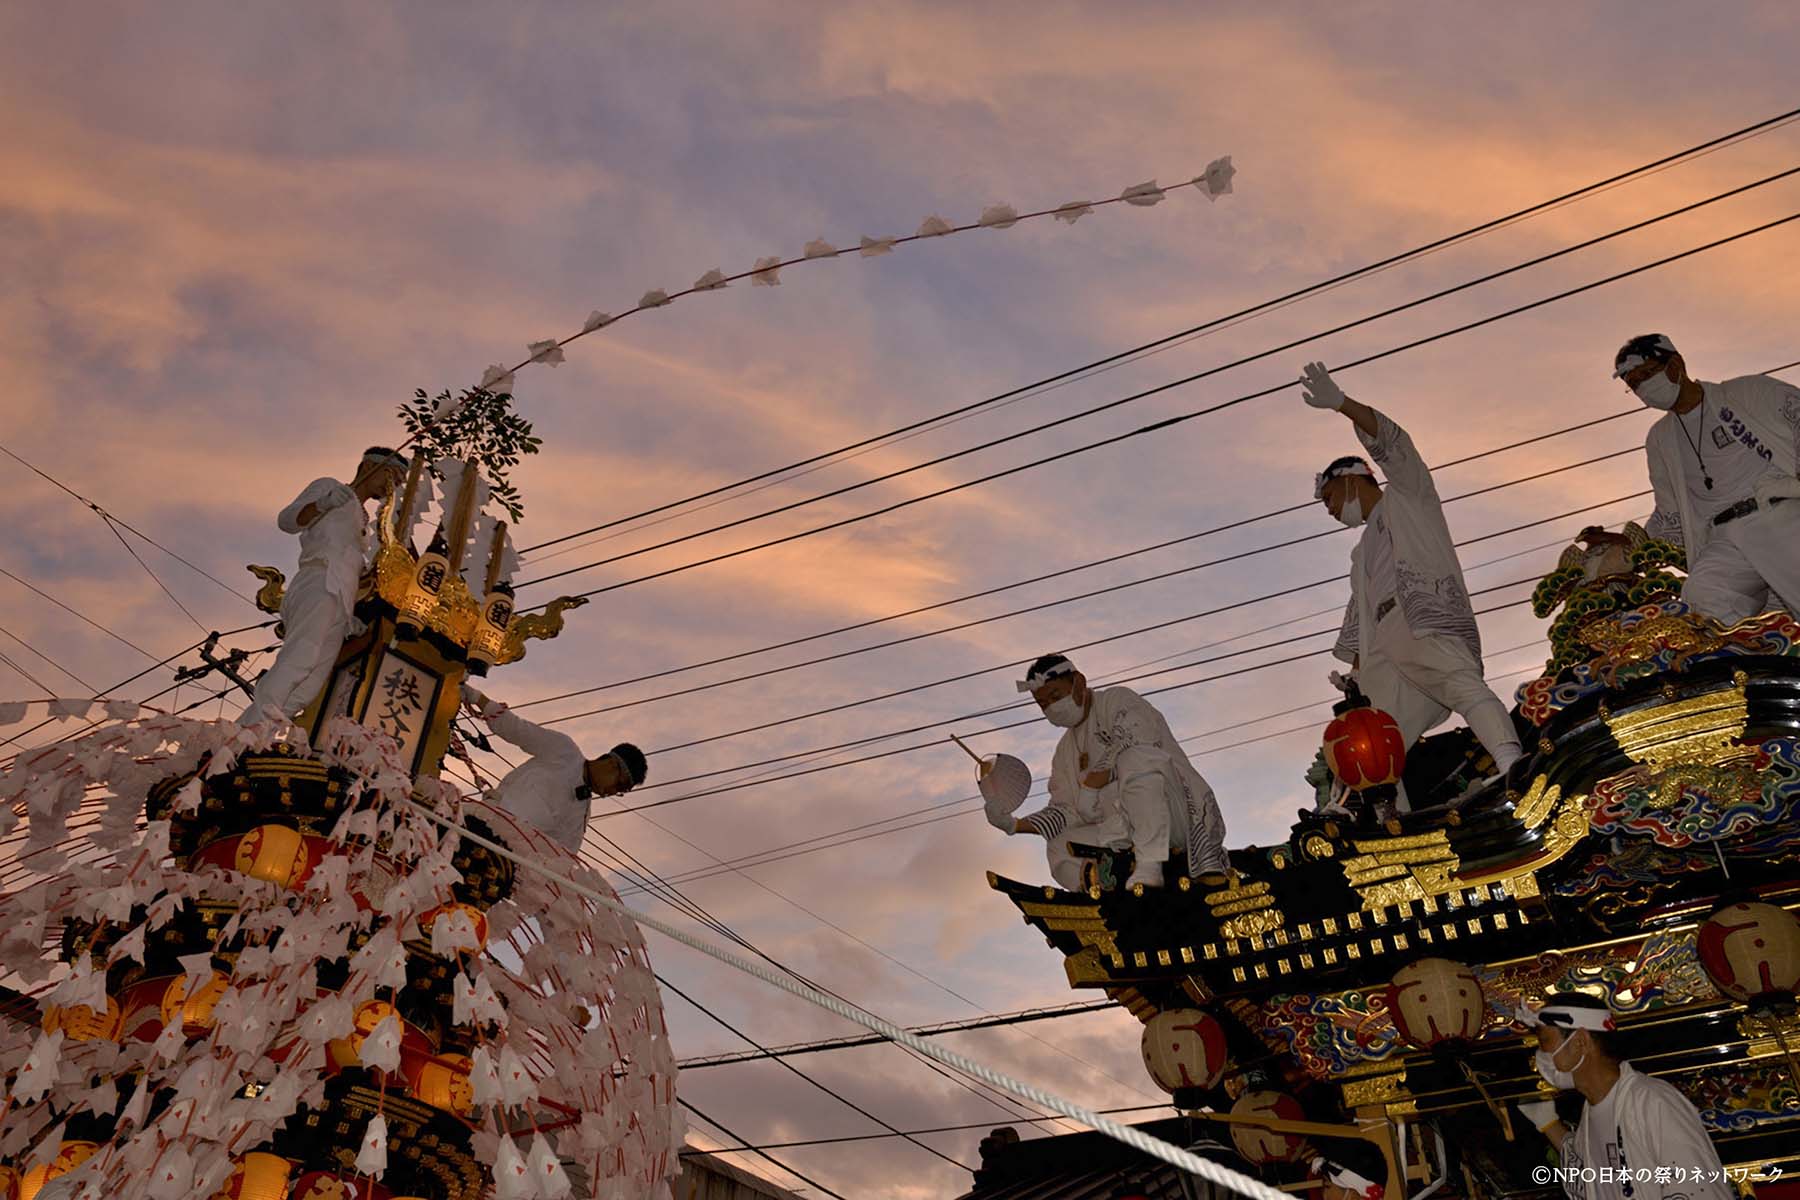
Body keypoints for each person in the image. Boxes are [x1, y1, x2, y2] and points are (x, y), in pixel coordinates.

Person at [1301, 362, 1523, 805]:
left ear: (1351, 480)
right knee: (1376, 736)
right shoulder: (1360, 552)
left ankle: (1513, 762)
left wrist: (1343, 406)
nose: (1330, 512)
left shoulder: (1408, 497)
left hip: (1420, 615)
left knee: (1460, 683)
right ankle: (1392, 823)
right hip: (1385, 641)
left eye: (1329, 499)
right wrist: (1356, 674)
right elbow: (1357, 613)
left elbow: (1396, 445)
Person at [987, 653, 1227, 891]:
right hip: (1121, 832)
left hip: (1176, 815)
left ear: (1079, 683)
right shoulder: (1064, 752)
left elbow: (1139, 738)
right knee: (1059, 845)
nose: (1051, 707)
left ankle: (1150, 865)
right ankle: (1106, 888)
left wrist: (1093, 783)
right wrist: (1014, 825)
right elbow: (1065, 811)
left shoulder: (1117, 700)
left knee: (1135, 759)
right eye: (1043, 704)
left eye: (1055, 696)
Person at [1616, 333, 1800, 626]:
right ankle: (1750, 671)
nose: (1643, 388)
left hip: (1777, 515)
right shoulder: (1660, 439)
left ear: (1676, 364)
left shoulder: (1746, 392)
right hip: (1722, 537)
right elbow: (1668, 513)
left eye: (1647, 374)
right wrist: (1628, 546)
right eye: (1634, 384)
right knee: (1702, 602)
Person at [243, 447, 408, 726]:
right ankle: (247, 734)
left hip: (341, 600)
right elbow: (287, 521)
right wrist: (323, 504)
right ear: (369, 465)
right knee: (299, 659)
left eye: (399, 481)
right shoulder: (330, 487)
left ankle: (260, 733)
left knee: (311, 684)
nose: (392, 486)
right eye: (391, 475)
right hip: (319, 579)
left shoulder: (365, 521)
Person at [1515, 993, 1731, 1200]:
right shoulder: (1591, 1114)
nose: (1540, 1057)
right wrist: (1549, 1124)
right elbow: (1589, 1174)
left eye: (1544, 1042)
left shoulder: (1651, 1101)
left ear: (1580, 1040)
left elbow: (1698, 1189)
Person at [460, 684, 647, 852]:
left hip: (503, 855)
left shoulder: (581, 815)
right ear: (612, 765)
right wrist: (476, 697)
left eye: (620, 792)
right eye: (619, 785)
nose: (611, 793)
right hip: (481, 821)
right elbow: (517, 730)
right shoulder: (565, 751)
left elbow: (561, 856)